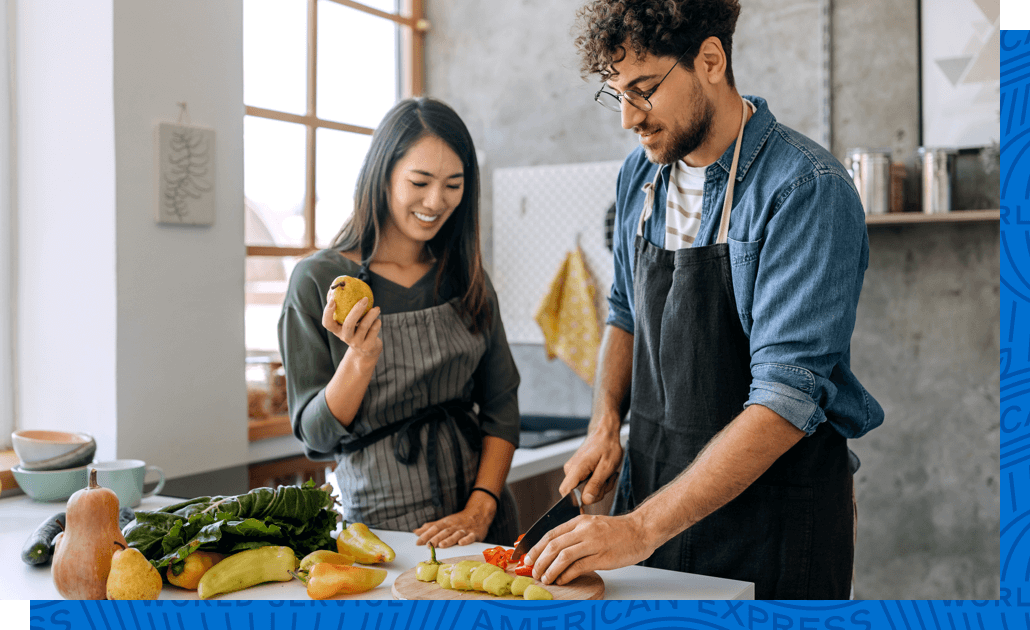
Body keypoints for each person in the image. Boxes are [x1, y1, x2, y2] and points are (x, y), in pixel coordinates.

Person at [524, 0, 884, 599]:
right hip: (655, 509)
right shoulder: (639, 179)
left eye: (643, 90)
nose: (628, 119)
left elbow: (786, 395)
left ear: (711, 60)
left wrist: (639, 527)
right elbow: (622, 309)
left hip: (771, 524)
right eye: (616, 94)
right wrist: (605, 425)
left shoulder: (804, 191)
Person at [277, 97, 521, 549]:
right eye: (420, 181)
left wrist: (482, 506)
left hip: (482, 522)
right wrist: (360, 358)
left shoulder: (465, 277)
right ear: (383, 174)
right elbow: (316, 436)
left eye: (453, 184)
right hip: (384, 531)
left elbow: (502, 406)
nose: (436, 201)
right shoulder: (320, 280)